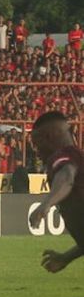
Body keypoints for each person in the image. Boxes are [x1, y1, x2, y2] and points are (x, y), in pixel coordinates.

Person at [28, 111, 84, 274]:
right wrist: (66, 257)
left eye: (37, 144)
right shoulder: (77, 157)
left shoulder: (63, 156)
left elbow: (66, 176)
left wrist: (46, 204)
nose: (37, 152)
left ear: (49, 137)